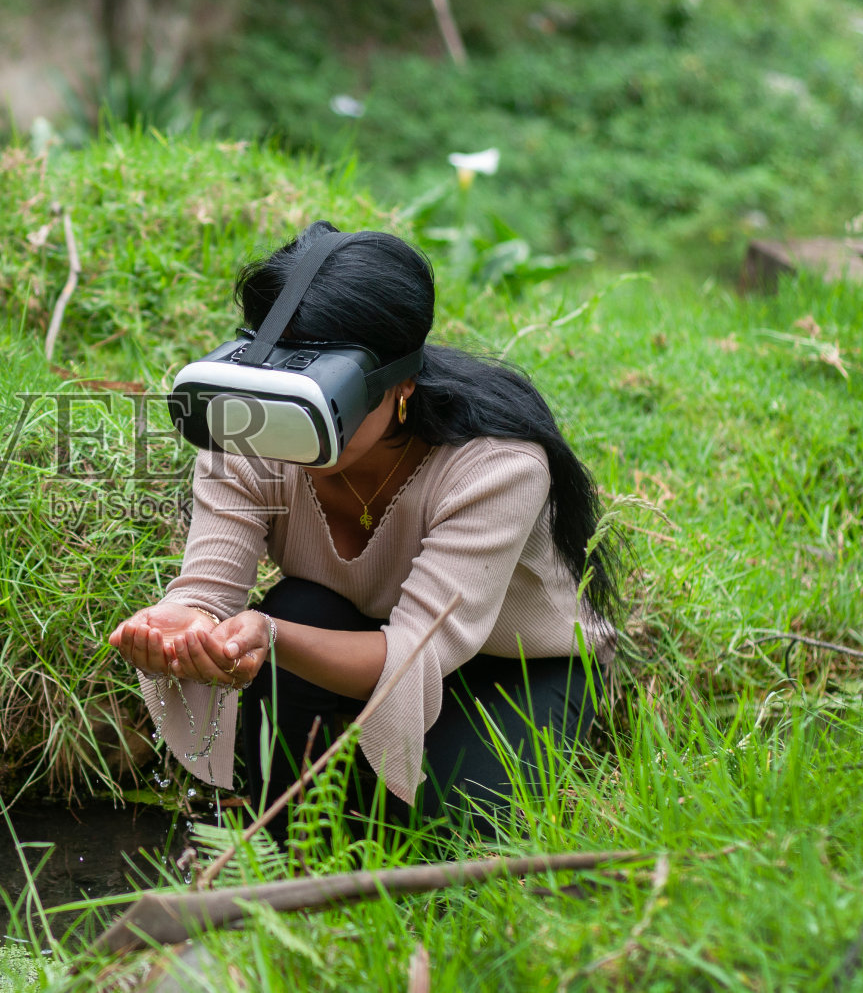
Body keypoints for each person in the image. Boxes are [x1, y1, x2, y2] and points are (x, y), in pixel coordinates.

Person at [108, 222, 622, 838]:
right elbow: (207, 592)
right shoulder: (248, 427)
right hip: (355, 634)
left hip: (514, 664)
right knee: (300, 610)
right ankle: (291, 845)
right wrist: (186, 624)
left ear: (400, 387)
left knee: (445, 835)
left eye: (325, 399)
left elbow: (419, 652)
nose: (289, 432)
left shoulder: (495, 465)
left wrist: (270, 635)